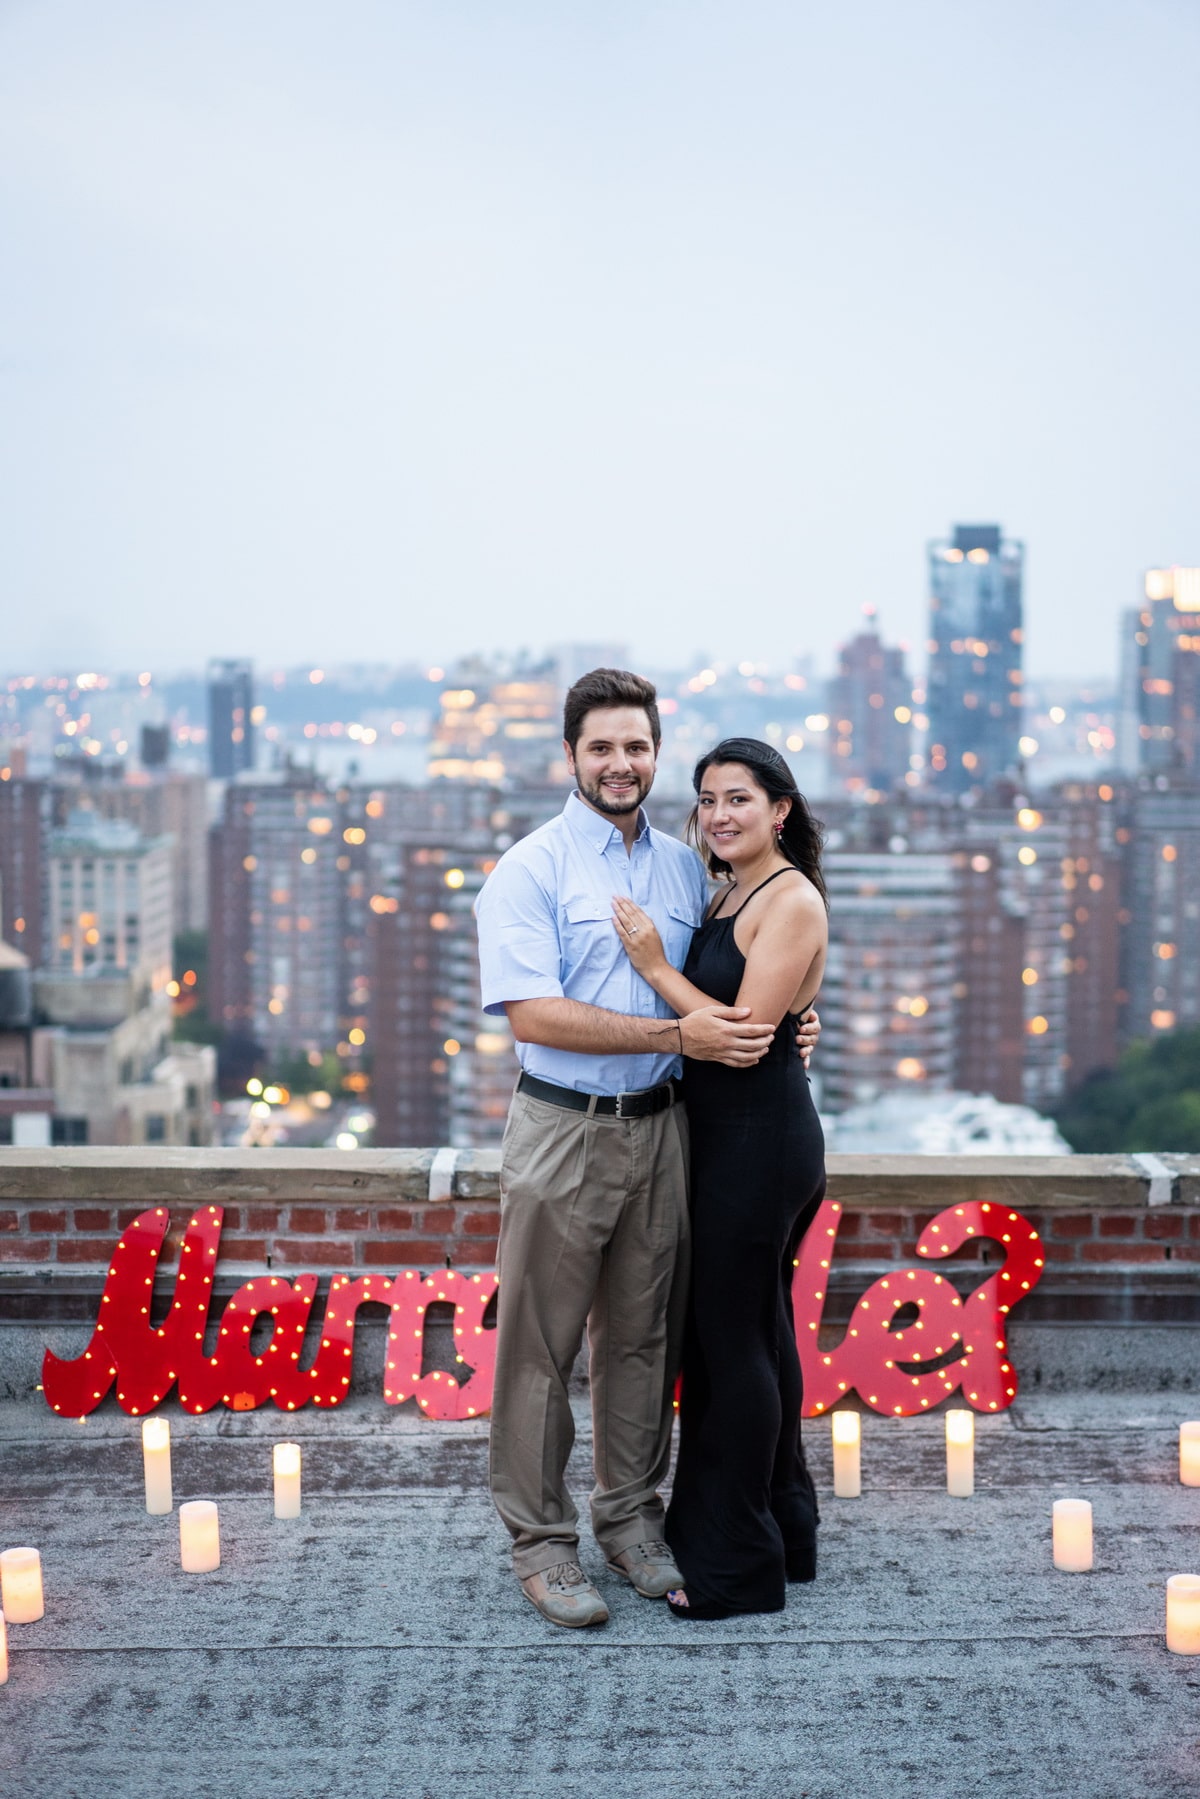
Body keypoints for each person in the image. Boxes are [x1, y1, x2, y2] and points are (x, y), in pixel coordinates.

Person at [474, 670, 819, 1629]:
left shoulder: (683, 867)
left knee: (642, 1342)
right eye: (601, 747)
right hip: (562, 1128)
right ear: (573, 756)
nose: (621, 763)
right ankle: (543, 1545)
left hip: (668, 1132)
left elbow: (735, 973)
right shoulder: (530, 868)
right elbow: (532, 1012)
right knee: (539, 1351)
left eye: (636, 747)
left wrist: (796, 1016)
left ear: (655, 754)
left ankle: (629, 1519)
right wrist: (677, 1037)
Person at [611, 737, 828, 1620]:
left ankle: (736, 1566)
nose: (719, 813)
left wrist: (655, 966)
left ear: (780, 809)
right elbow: (774, 1016)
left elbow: (744, 1030)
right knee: (761, 1335)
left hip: (759, 1141)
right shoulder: (730, 888)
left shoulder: (792, 898)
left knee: (726, 1346)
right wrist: (794, 1022)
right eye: (706, 799)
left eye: (738, 797)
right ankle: (786, 1527)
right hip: (731, 1136)